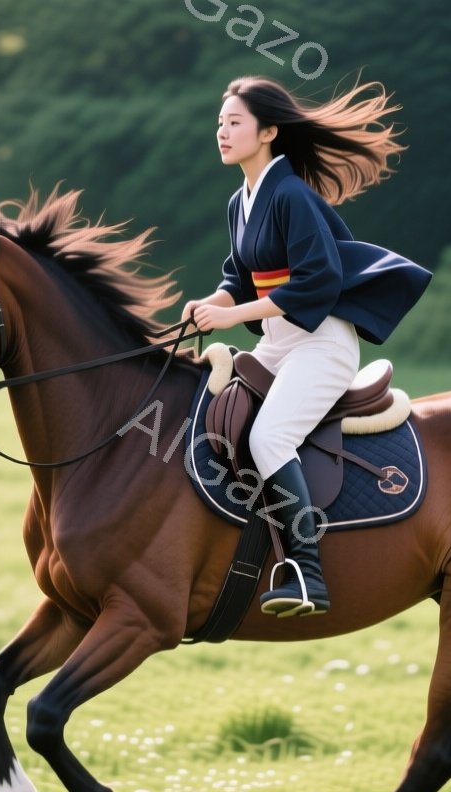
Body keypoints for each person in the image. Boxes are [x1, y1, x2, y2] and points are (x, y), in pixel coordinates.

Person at [184, 75, 432, 618]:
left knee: (270, 437)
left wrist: (232, 316)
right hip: (280, 343)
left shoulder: (291, 194)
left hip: (322, 345)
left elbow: (317, 281)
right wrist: (209, 304)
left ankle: (307, 575)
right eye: (219, 123)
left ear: (268, 131)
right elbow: (239, 279)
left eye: (234, 123)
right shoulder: (241, 201)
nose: (222, 132)